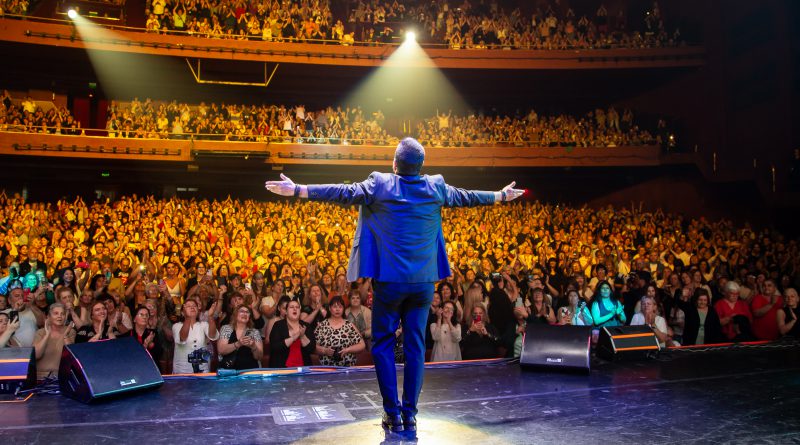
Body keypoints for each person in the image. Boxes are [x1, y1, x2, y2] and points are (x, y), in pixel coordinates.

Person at [265, 137, 523, 433]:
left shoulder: (380, 184)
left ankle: (392, 413)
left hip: (389, 284)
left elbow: (343, 192)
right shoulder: (436, 186)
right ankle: (409, 413)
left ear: (394, 164)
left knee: (384, 345)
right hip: (423, 284)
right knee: (415, 347)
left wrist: (299, 189)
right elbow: (467, 197)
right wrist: (500, 196)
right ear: (420, 166)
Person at [314, 296, 365, 366]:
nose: (337, 309)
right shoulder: (322, 325)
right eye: (335, 307)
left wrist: (348, 350)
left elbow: (362, 345)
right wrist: (324, 351)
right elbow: (313, 347)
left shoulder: (349, 325)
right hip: (327, 368)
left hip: (347, 368)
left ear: (343, 309)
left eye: (340, 307)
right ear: (329, 308)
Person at [171, 299, 219, 373]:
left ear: (198, 311)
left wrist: (210, 317)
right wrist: (188, 318)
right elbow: (183, 338)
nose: (192, 307)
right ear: (182, 312)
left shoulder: (203, 324)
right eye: (188, 306)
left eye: (194, 306)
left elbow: (213, 336)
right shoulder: (176, 326)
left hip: (202, 370)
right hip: (182, 371)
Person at [33, 303, 76, 378]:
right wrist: (47, 335)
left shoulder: (70, 331)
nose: (59, 316)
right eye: (56, 313)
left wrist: (65, 335)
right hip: (40, 376)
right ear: (48, 317)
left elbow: (71, 357)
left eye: (62, 314)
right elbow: (36, 355)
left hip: (61, 377)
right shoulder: (40, 332)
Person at [269, 299, 315, 367]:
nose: (295, 309)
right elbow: (275, 347)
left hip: (303, 368)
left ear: (300, 311)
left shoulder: (306, 326)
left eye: (297, 307)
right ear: (286, 312)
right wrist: (294, 337)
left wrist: (302, 336)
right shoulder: (278, 325)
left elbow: (311, 349)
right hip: (282, 368)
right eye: (291, 307)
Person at [217, 305, 263, 370]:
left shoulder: (255, 332)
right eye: (242, 311)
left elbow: (259, 357)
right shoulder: (226, 328)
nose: (245, 314)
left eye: (247, 312)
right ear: (235, 314)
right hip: (229, 370)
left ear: (249, 316)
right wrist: (238, 344)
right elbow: (221, 350)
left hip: (250, 371)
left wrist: (253, 346)